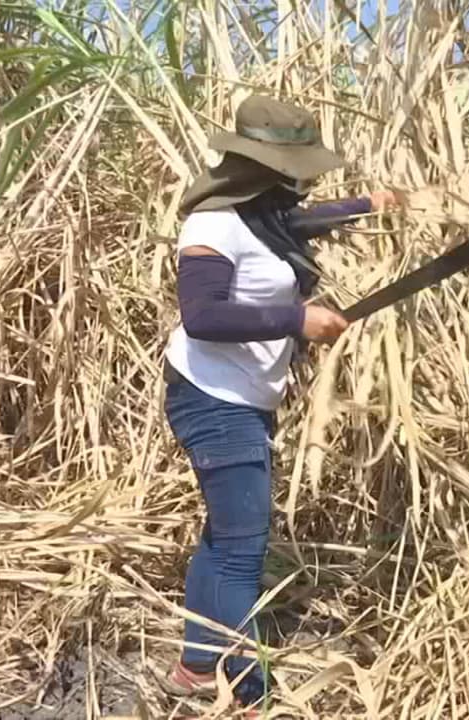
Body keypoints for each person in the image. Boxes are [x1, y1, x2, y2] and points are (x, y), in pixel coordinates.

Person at [157, 95, 400, 715]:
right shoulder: (213, 224)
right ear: (268, 164)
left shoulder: (262, 214)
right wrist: (297, 318)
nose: (304, 178)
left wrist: (371, 205)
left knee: (223, 538)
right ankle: (250, 695)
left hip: (242, 397)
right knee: (243, 549)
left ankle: (194, 668)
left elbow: (301, 221)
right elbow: (203, 314)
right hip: (213, 399)